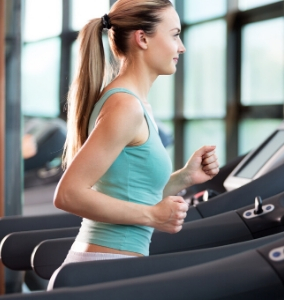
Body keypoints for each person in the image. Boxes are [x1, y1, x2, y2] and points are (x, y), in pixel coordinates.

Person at [54, 0, 219, 264]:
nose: (182, 47)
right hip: (104, 264)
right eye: (175, 35)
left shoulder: (133, 103)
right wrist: (153, 216)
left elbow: (129, 192)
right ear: (142, 38)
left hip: (111, 261)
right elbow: (67, 194)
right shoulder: (125, 106)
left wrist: (185, 177)